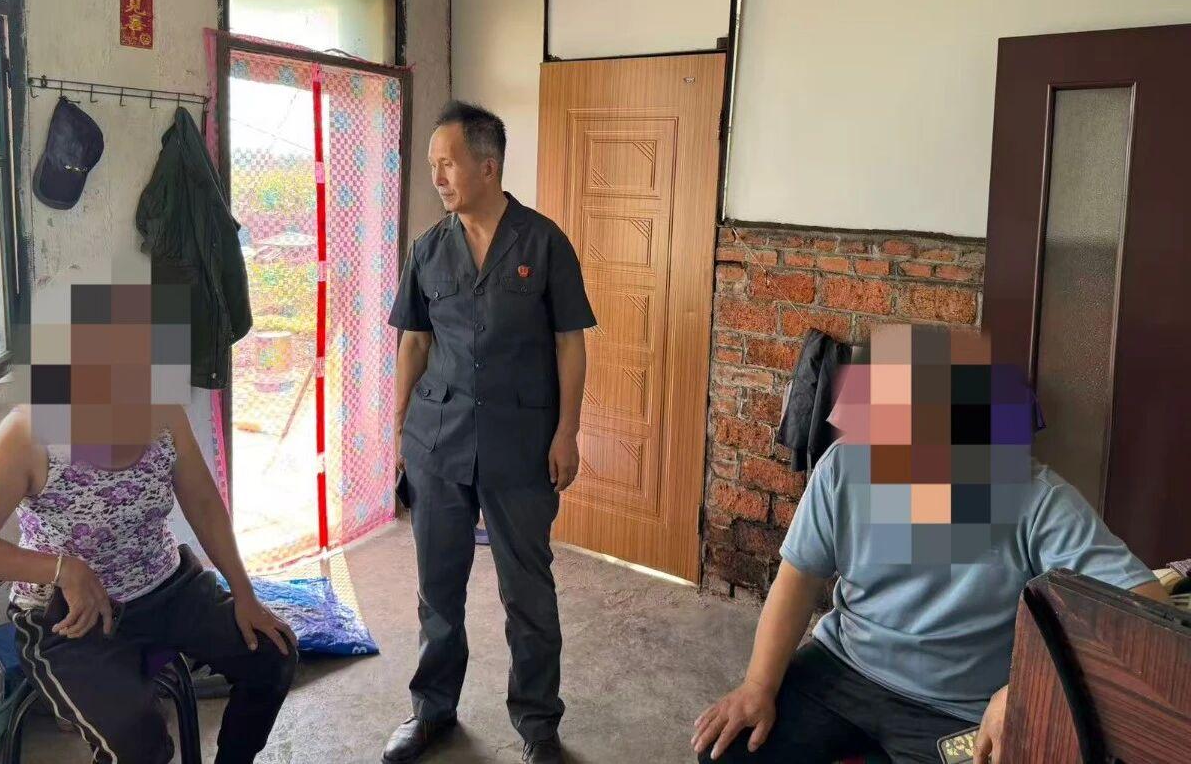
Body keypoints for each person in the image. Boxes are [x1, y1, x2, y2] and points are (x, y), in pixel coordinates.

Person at [692, 324, 1170, 764]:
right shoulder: (844, 467)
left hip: (958, 707)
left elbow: (1146, 609)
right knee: (728, 754)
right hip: (843, 668)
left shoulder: (1038, 501)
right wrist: (757, 685)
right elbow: (797, 579)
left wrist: (1029, 689)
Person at [0, 277, 297, 764]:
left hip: (167, 586)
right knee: (137, 739)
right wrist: (64, 569)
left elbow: (204, 505)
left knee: (273, 654)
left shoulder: (164, 413)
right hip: (67, 615)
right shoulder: (28, 434)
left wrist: (244, 593)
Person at [382, 101, 595, 764]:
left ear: (488, 165)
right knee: (437, 589)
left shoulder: (544, 243)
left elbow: (570, 343)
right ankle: (431, 710)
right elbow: (414, 343)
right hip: (438, 441)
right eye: (433, 165)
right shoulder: (428, 248)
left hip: (521, 445)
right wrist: (399, 430)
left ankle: (538, 723)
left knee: (527, 591)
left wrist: (567, 432)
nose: (437, 177)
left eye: (447, 163)